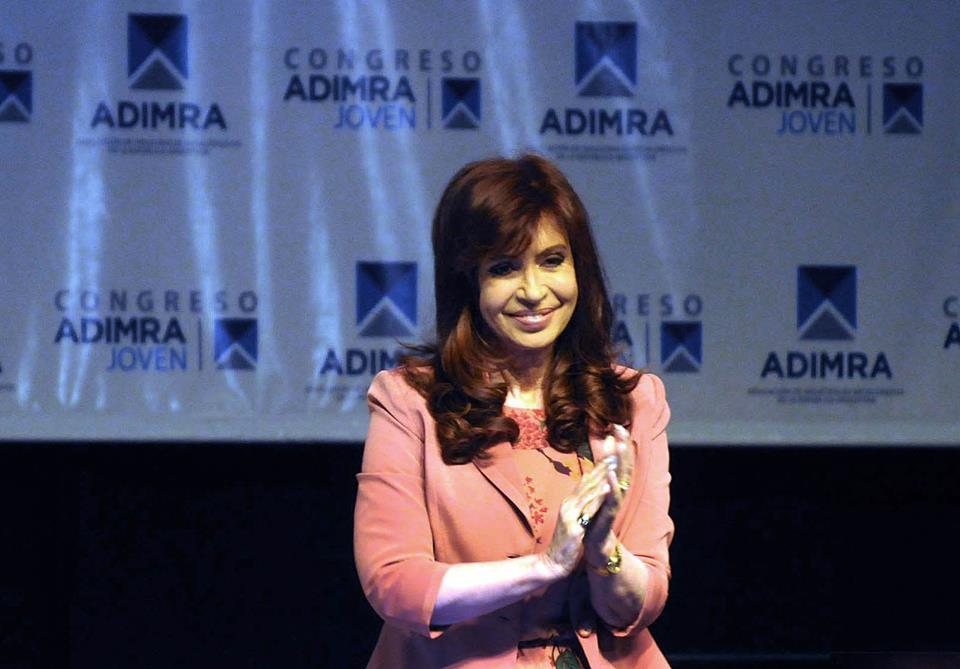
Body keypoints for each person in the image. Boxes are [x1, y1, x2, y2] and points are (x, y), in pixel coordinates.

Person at [354, 154, 674, 668]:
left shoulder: (634, 400)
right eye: (504, 268)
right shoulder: (410, 401)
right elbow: (395, 584)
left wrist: (602, 550)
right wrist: (544, 566)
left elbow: (641, 603)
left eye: (552, 261)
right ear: (469, 281)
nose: (533, 291)